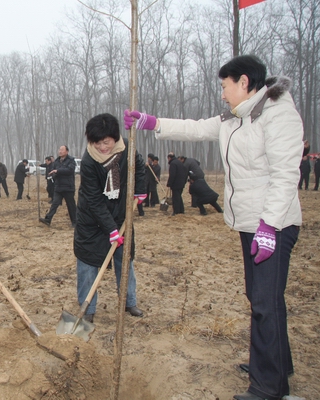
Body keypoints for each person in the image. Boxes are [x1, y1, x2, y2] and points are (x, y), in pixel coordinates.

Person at [125, 55, 303, 400]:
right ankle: (274, 363)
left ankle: (269, 387)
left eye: (225, 86)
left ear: (244, 83)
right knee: (261, 298)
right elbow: (195, 128)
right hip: (251, 224)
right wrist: (152, 122)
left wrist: (269, 225)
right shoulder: (234, 117)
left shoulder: (278, 115)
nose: (222, 94)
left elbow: (285, 175)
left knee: (265, 301)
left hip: (274, 224)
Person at [74, 113, 146, 322]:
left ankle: (129, 301)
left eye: (106, 142)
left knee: (125, 261)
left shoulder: (127, 150)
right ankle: (87, 310)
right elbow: (93, 199)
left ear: (115, 138)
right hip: (91, 219)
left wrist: (139, 191)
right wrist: (110, 229)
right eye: (97, 143)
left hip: (122, 215)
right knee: (87, 263)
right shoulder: (88, 161)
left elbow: (139, 166)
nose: (102, 148)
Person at [39, 146, 77, 227]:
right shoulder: (56, 161)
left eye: (62, 150)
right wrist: (52, 176)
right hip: (58, 187)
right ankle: (48, 219)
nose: (60, 151)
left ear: (67, 151)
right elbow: (53, 171)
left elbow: (70, 170)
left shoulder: (71, 160)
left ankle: (75, 222)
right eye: (59, 150)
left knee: (71, 206)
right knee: (54, 204)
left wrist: (58, 171)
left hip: (68, 187)